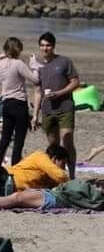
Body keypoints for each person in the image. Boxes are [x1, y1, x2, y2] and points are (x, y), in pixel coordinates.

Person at [30, 32, 80, 179]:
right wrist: (35, 115)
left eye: (48, 45)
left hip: (65, 107)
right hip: (48, 110)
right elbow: (38, 91)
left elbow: (75, 82)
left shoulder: (64, 61)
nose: (45, 48)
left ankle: (72, 175)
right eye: (43, 45)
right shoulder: (39, 67)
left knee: (67, 139)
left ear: (53, 46)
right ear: (40, 47)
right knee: (54, 145)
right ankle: (58, 176)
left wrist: (59, 93)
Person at [0, 37, 40, 168]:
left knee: (5, 139)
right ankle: (15, 168)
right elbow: (35, 80)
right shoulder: (18, 64)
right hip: (19, 103)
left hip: (6, 104)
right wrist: (34, 65)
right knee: (18, 140)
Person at [0, 178, 104, 211]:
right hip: (52, 194)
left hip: (54, 197)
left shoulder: (96, 197)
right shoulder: (91, 189)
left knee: (17, 198)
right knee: (18, 196)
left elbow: (72, 192)